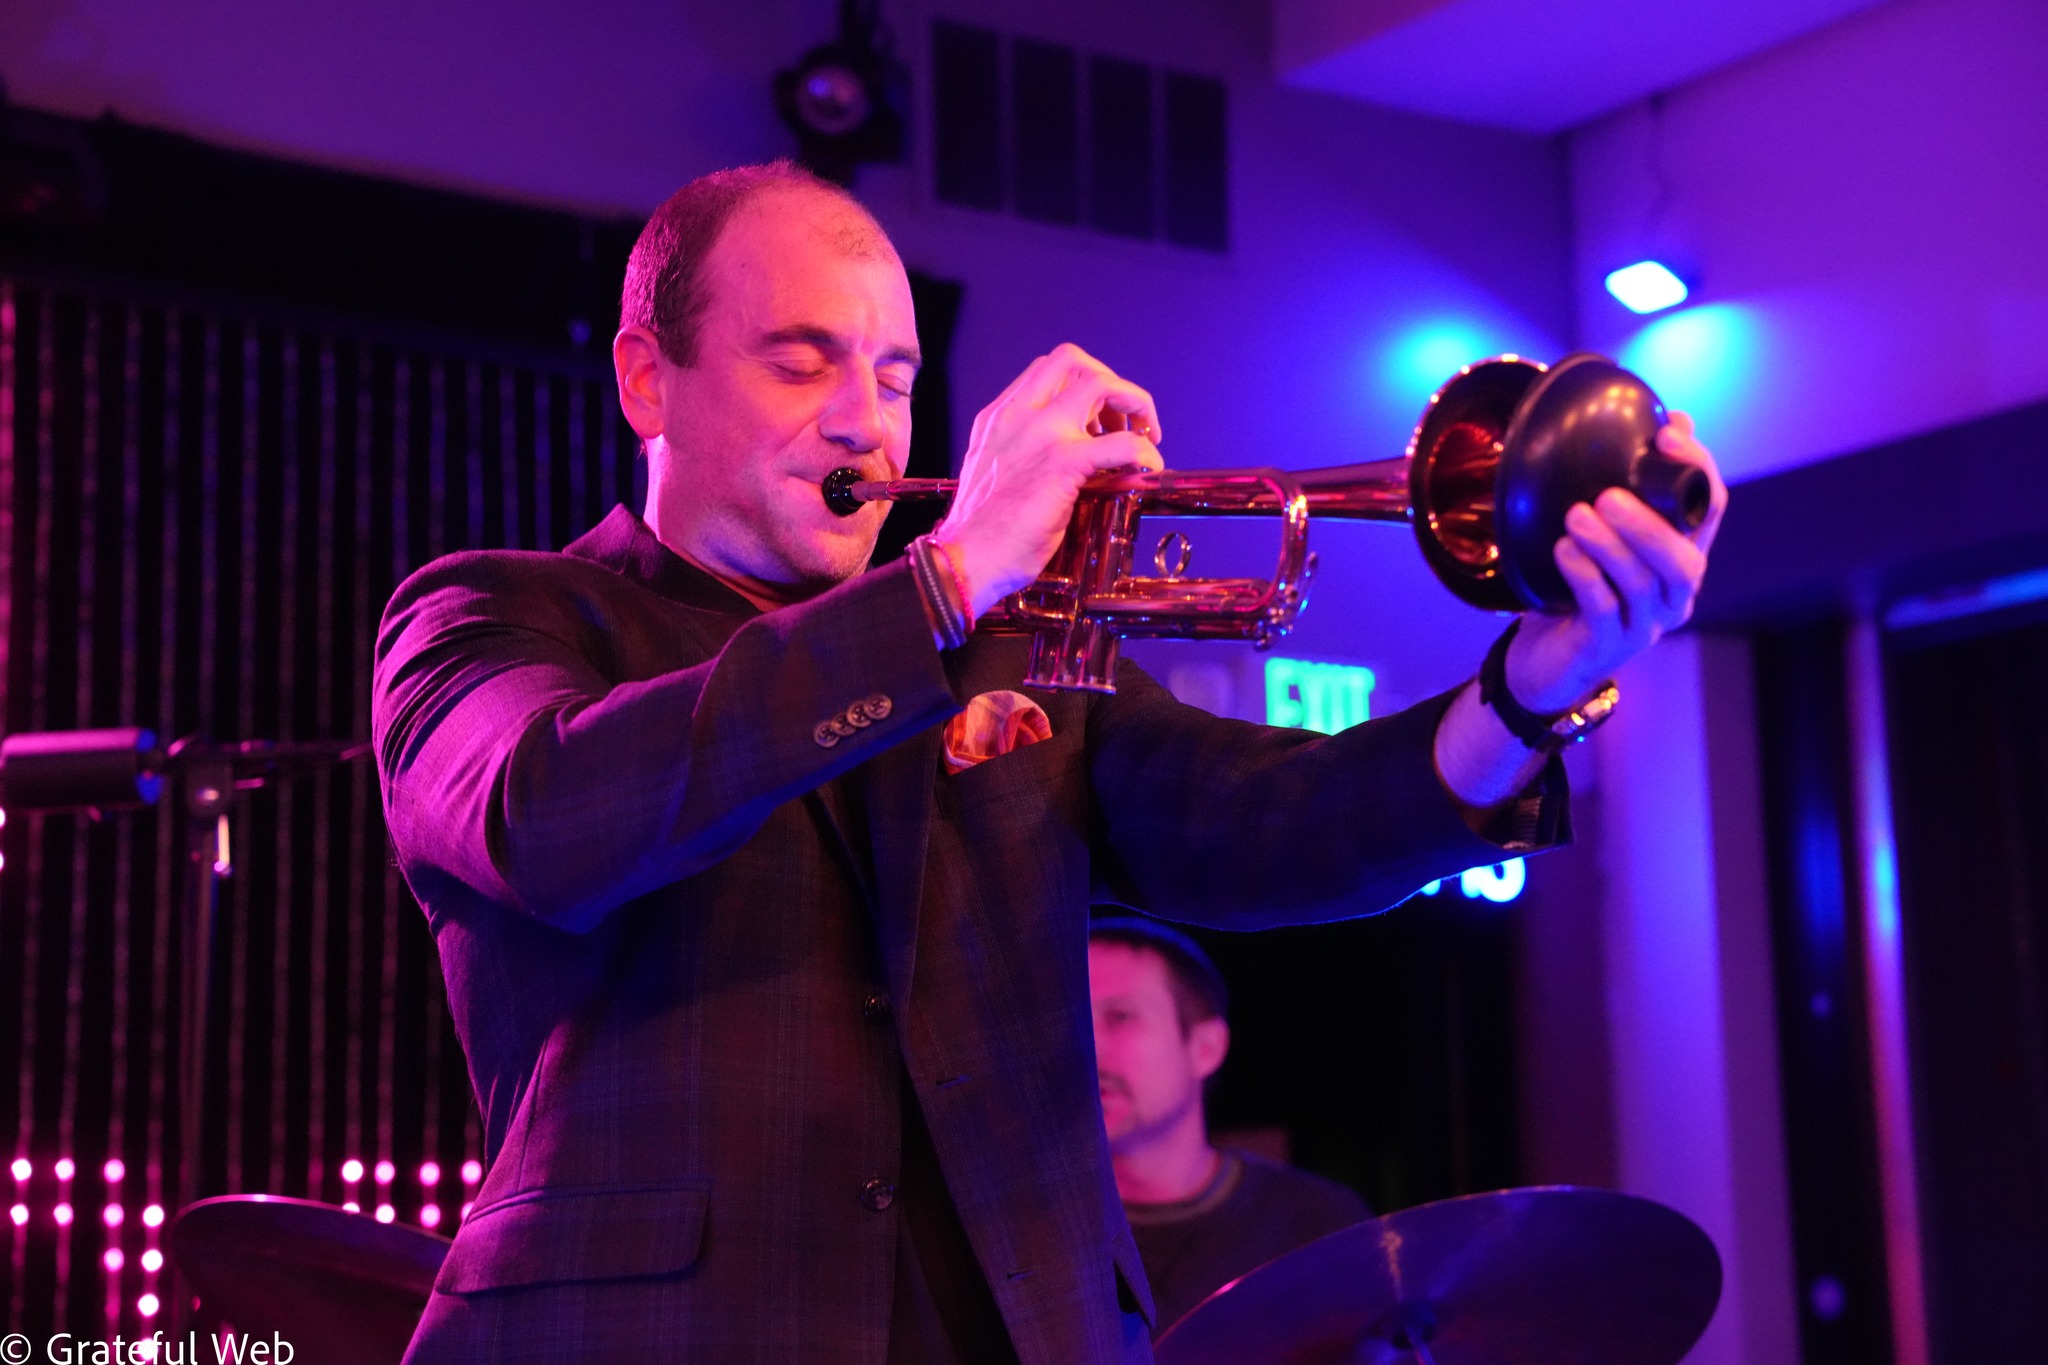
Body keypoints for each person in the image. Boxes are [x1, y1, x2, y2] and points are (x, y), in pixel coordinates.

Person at [371, 159, 1725, 1364]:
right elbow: (547, 818)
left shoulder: (1004, 652)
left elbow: (1271, 822)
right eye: (799, 363)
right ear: (645, 379)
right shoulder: (492, 616)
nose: (863, 424)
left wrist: (1530, 688)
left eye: (894, 379)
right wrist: (944, 580)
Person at [1088, 917, 1371, 1336]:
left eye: (1120, 1017)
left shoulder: (1316, 1223)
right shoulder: (1028, 1236)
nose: (1085, 1045)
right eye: (1071, 1021)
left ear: (1206, 1048)